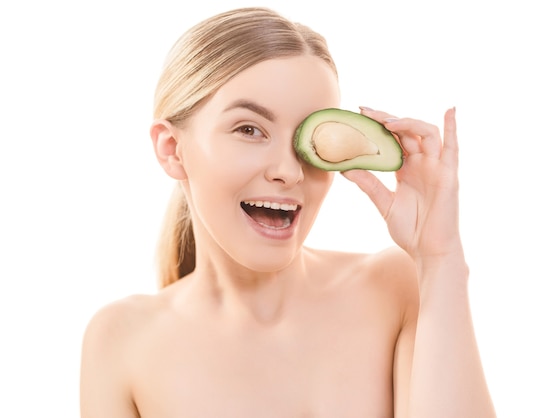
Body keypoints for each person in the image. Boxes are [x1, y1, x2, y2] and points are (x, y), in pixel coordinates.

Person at [80, 7, 496, 418]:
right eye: (249, 129)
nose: (289, 171)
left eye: (310, 136)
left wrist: (441, 260)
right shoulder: (121, 342)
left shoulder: (393, 289)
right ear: (172, 150)